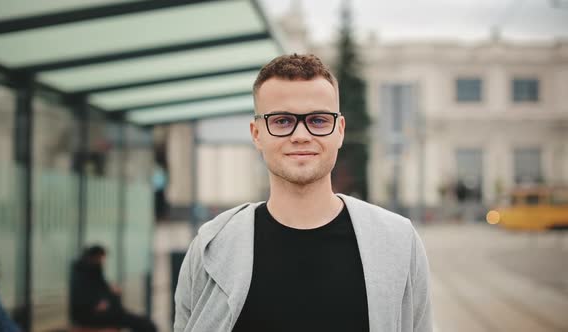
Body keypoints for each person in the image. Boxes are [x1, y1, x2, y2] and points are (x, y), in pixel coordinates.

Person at [173, 54, 433, 332]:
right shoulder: (211, 246)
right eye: (282, 121)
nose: (300, 135)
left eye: (318, 120)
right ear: (257, 133)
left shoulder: (398, 243)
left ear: (340, 131)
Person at [69, 245, 156, 332]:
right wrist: (98, 303)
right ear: (96, 256)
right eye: (102, 258)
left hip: (105, 312)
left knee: (142, 323)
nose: (103, 261)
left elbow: (101, 288)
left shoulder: (89, 270)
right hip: (92, 316)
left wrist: (109, 293)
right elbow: (85, 296)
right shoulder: (84, 273)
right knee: (144, 324)